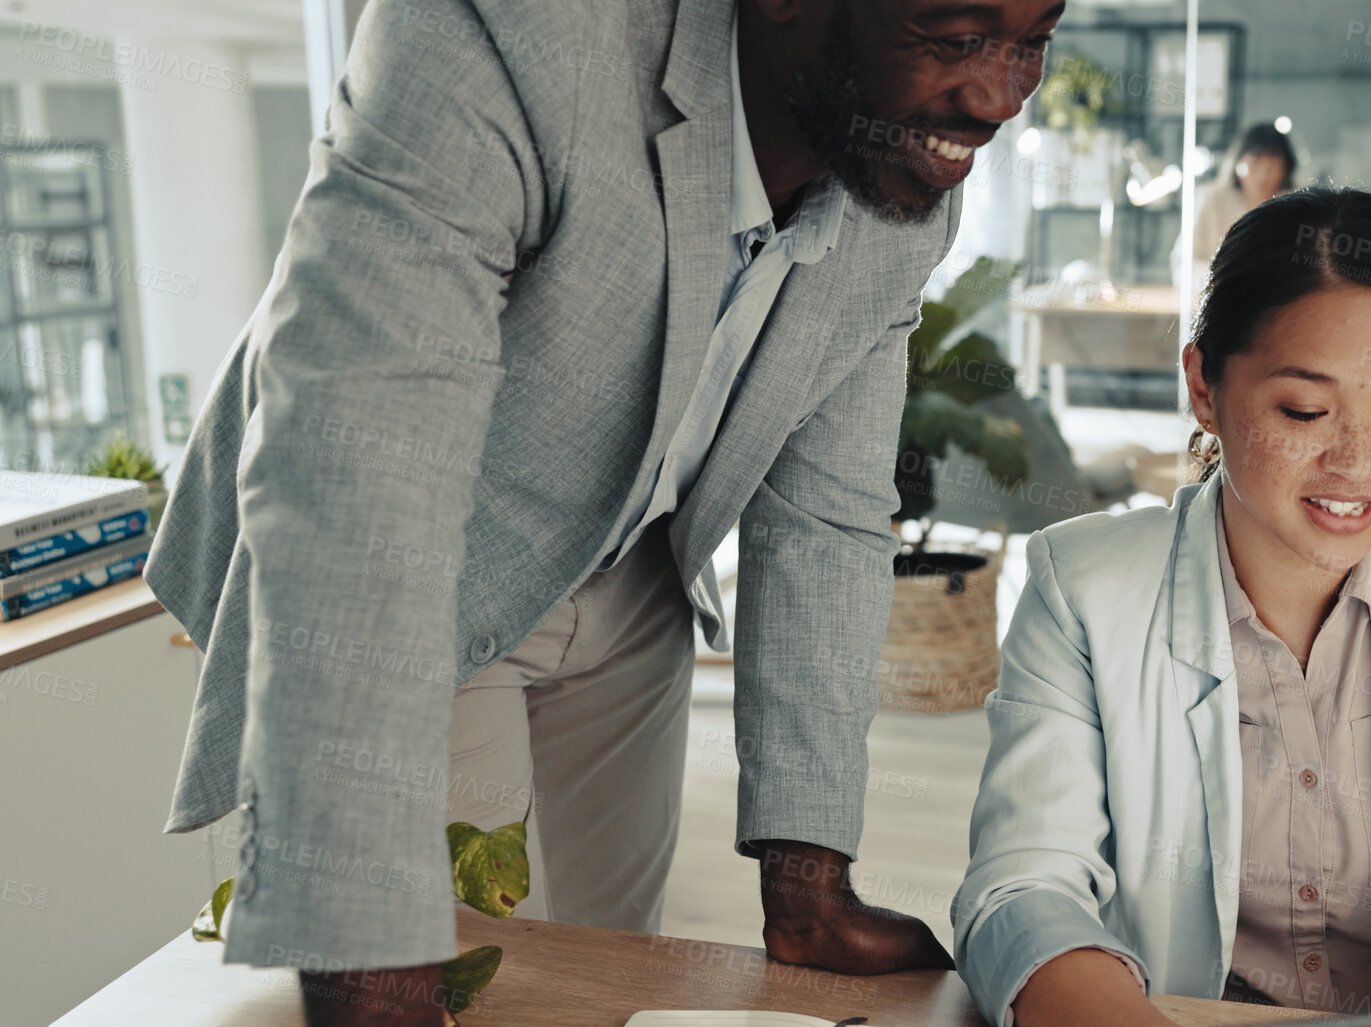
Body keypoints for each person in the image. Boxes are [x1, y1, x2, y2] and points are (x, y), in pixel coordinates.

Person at [143, 0, 1064, 1023]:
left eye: (1033, 40)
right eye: (954, 37)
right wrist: (361, 944)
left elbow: (826, 514)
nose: (996, 97)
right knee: (457, 984)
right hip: (426, 558)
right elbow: (362, 467)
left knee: (602, 978)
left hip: (638, 555)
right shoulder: (507, 37)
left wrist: (810, 878)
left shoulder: (897, 183)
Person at [952, 186, 1371, 1027]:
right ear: (1203, 385)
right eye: (1304, 410)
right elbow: (1023, 888)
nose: (1358, 461)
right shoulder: (1084, 587)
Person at [1175, 121, 1298, 290]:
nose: (1262, 175)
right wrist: (1220, 279)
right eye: (1254, 164)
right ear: (1237, 163)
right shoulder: (1212, 200)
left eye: (1272, 166)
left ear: (1285, 169)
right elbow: (1184, 263)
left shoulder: (1294, 207)